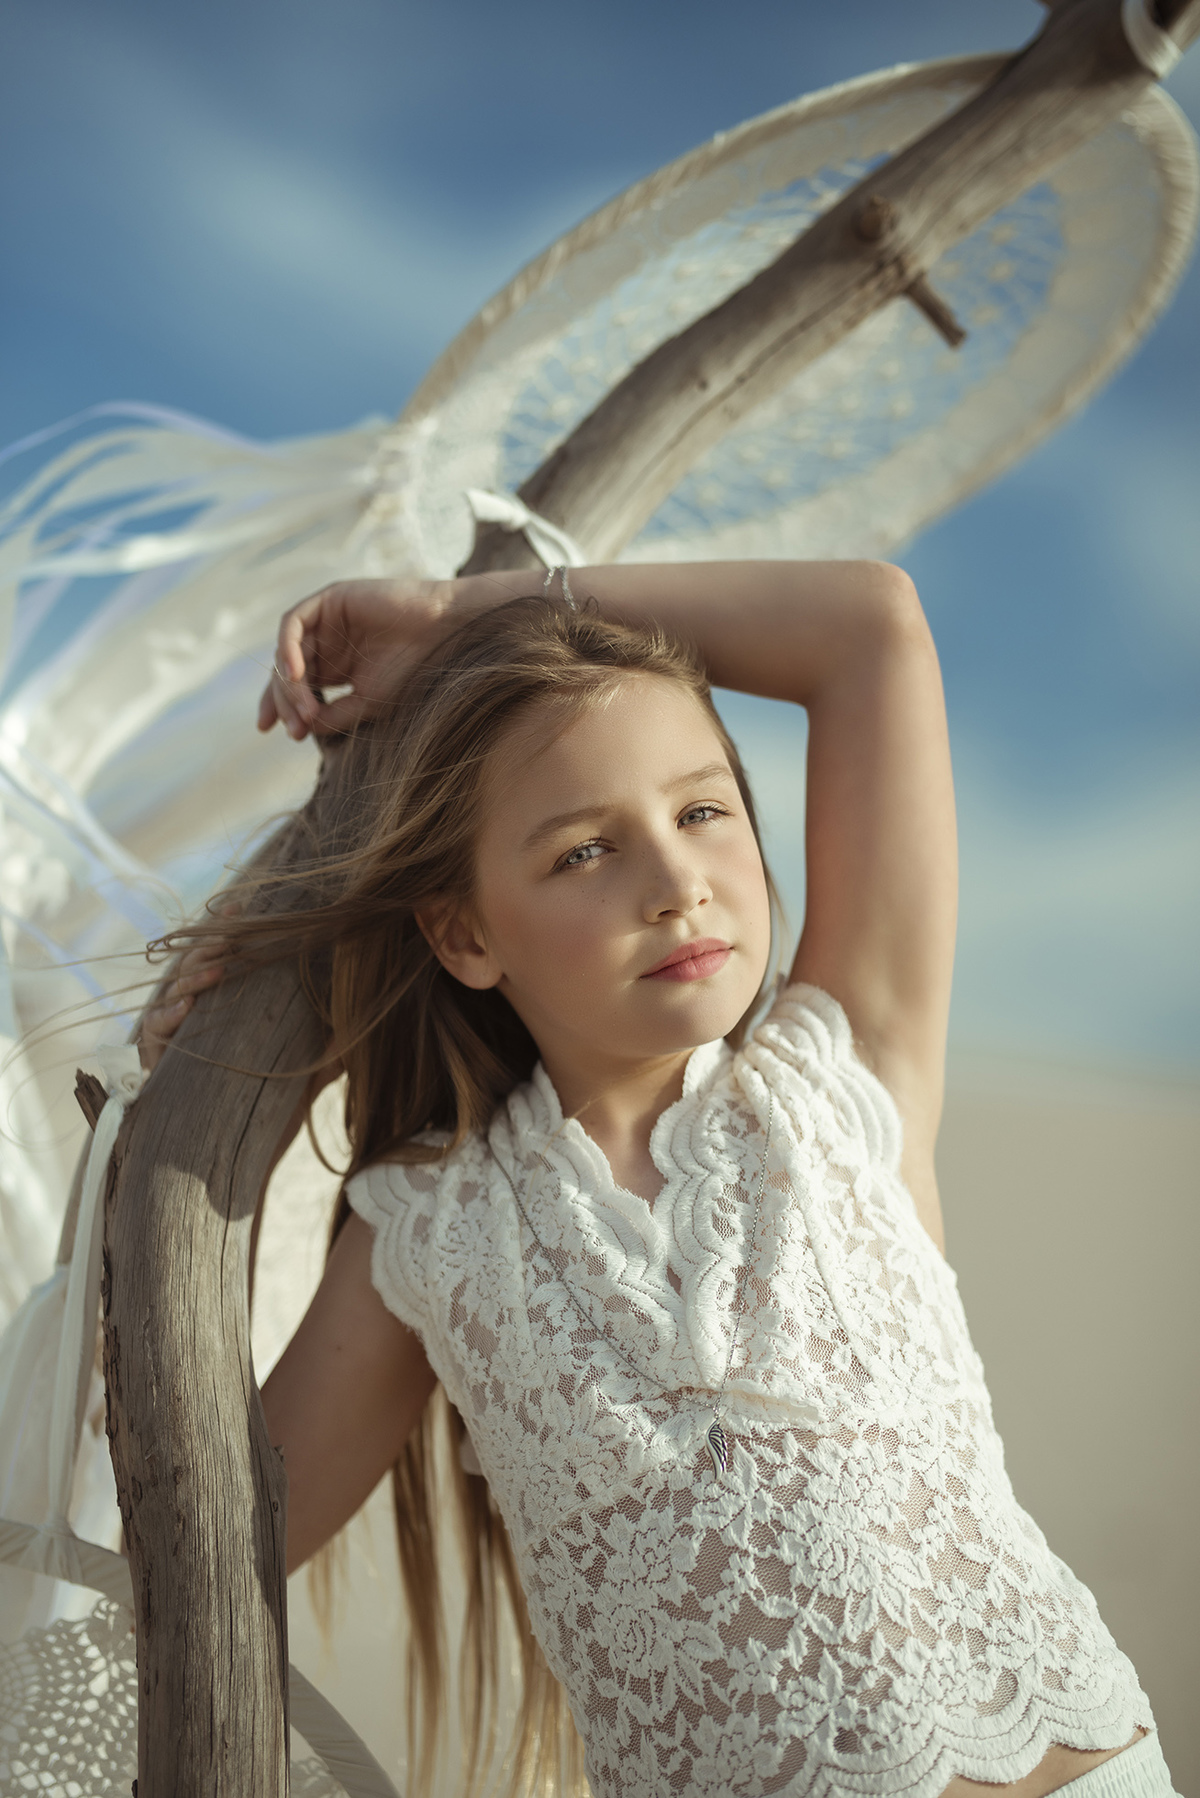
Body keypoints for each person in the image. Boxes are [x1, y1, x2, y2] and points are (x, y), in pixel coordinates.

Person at [148, 560, 1175, 1798]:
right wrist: (222, 1056)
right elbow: (210, 1544)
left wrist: (470, 614)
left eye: (701, 812)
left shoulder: (844, 1072)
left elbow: (874, 625)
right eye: (584, 850)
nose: (676, 881)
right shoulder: (431, 1232)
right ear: (465, 932)